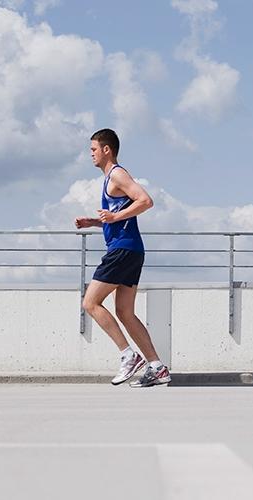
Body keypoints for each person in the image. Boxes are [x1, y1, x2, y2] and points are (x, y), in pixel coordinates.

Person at [75, 128, 171, 388]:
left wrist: (114, 217)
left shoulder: (117, 174)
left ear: (107, 149)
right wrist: (95, 222)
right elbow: (119, 214)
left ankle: (128, 356)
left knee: (90, 303)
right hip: (131, 250)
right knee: (125, 313)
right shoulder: (110, 179)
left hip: (122, 250)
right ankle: (157, 367)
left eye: (94, 149)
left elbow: (146, 201)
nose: (91, 155)